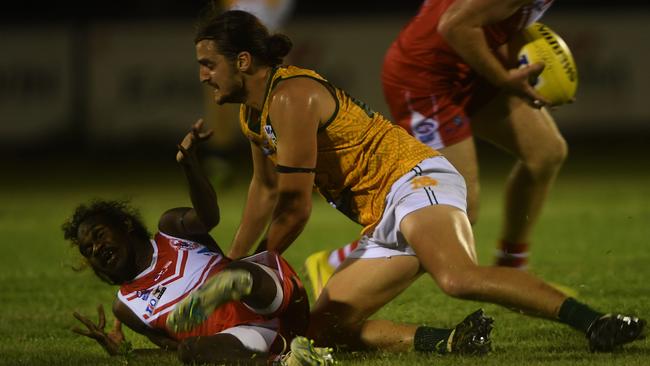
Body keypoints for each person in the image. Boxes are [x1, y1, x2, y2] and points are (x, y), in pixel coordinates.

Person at [188, 8, 646, 354]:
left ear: (243, 60)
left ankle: (596, 322)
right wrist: (232, 263)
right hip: (382, 214)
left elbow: (294, 205)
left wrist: (255, 270)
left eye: (209, 64)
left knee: (457, 276)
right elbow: (264, 190)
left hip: (414, 180)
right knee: (322, 332)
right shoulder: (254, 114)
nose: (204, 76)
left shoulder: (291, 97)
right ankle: (448, 341)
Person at [305, 0, 577, 297]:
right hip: (425, 80)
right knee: (457, 210)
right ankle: (336, 262)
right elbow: (454, 24)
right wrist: (503, 78)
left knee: (546, 152)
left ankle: (512, 264)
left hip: (468, 67)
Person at [63, 120, 334, 365]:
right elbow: (171, 349)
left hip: (270, 299)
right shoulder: (126, 305)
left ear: (125, 224)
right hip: (246, 337)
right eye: (89, 250)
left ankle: (224, 288)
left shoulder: (170, 229)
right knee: (190, 351)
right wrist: (126, 354)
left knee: (237, 273)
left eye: (99, 236)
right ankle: (287, 363)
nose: (96, 249)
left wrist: (191, 166)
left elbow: (208, 216)